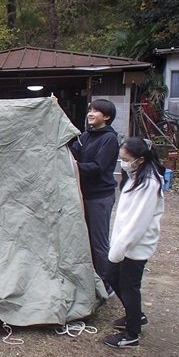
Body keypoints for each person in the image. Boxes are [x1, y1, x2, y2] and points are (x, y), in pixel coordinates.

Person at [103, 137, 165, 348]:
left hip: (135, 245)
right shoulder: (136, 175)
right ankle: (136, 316)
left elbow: (138, 221)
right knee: (113, 277)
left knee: (129, 286)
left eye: (126, 159)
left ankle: (131, 334)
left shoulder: (149, 182)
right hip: (124, 242)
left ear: (141, 159)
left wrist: (119, 249)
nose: (123, 162)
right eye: (121, 158)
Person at [70, 99, 120, 295]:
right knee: (85, 240)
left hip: (99, 197)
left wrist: (74, 167)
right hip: (85, 195)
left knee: (99, 243)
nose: (90, 113)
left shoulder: (109, 139)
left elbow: (98, 167)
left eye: (96, 111)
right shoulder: (86, 135)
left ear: (106, 117)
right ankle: (93, 280)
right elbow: (73, 153)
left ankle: (107, 285)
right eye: (90, 110)